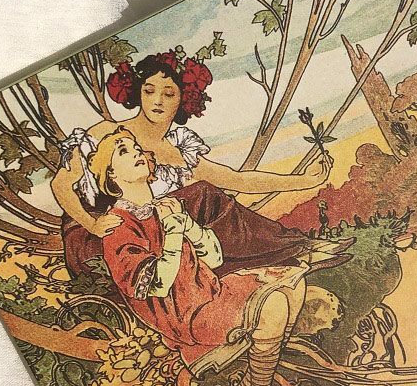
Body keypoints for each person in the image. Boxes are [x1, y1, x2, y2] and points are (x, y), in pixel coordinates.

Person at [88, 127, 306, 386]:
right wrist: (174, 232)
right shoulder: (118, 227)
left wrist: (187, 225)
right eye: (122, 151)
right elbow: (156, 285)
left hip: (211, 292)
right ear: (111, 176)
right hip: (185, 316)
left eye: (134, 146)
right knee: (274, 305)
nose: (136, 152)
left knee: (294, 283)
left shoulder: (166, 207)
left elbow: (214, 257)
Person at [50, 50, 353, 282]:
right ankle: (298, 248)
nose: (157, 101)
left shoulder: (178, 149)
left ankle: (296, 253)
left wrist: (303, 181)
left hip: (152, 236)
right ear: (137, 93)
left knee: (199, 206)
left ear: (184, 100)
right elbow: (60, 184)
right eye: (149, 91)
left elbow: (238, 180)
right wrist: (92, 224)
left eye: (169, 94)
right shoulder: (107, 134)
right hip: (103, 240)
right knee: (202, 196)